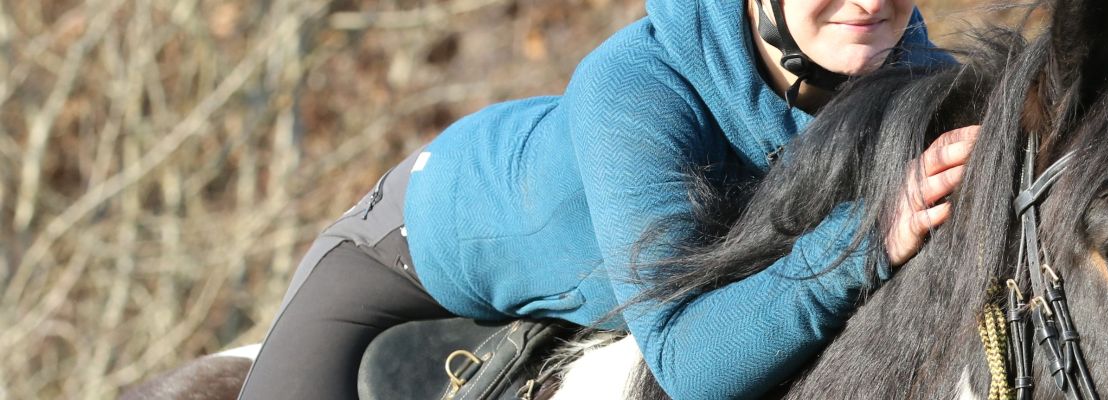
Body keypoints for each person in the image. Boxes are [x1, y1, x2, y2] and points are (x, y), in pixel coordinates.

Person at [236, 0, 975, 398]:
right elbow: (689, 364)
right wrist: (865, 239)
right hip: (400, 255)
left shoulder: (922, 80)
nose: (872, 1)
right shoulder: (637, 85)